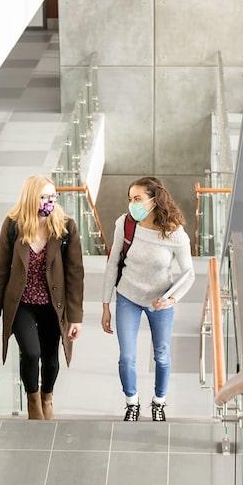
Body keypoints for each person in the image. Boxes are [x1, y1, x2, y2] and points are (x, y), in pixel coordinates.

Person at [0, 175, 85, 420]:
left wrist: (75, 317)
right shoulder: (13, 225)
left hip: (53, 305)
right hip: (22, 303)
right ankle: (33, 400)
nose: (50, 201)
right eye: (44, 197)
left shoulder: (65, 226)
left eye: (53, 196)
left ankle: (47, 397)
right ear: (31, 198)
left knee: (51, 357)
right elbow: (0, 268)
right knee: (31, 353)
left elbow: (75, 274)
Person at [101, 176, 194, 422]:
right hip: (127, 296)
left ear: (154, 200)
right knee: (127, 356)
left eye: (138, 199)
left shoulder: (174, 233)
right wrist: (105, 305)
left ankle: (159, 402)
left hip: (159, 302)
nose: (132, 204)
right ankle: (132, 402)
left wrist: (172, 299)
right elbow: (112, 264)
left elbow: (189, 274)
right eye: (130, 199)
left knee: (162, 355)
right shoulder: (125, 223)